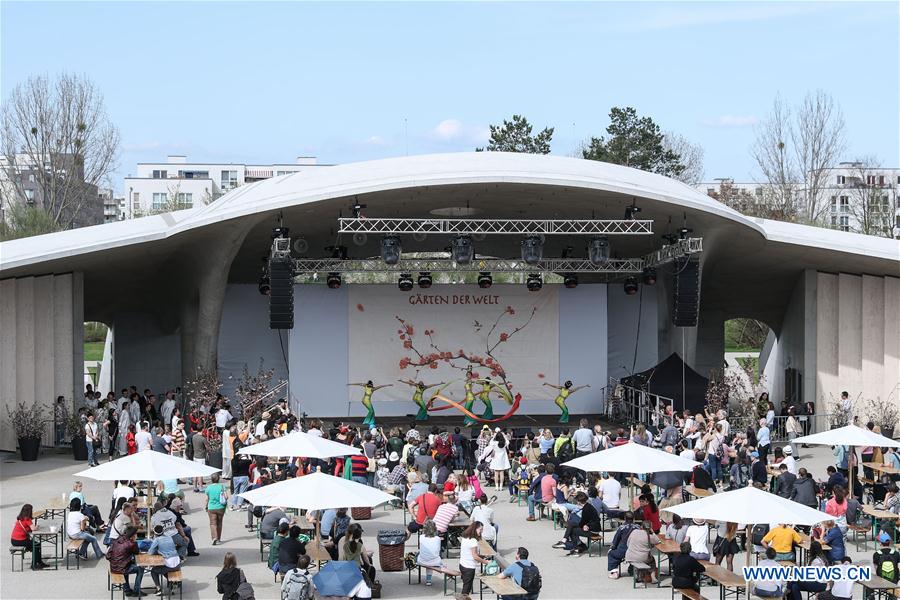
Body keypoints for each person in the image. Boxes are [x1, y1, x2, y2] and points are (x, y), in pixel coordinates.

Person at [147, 524, 183, 597]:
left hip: (169, 565)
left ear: (155, 533)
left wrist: (156, 550)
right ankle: (173, 581)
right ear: (163, 531)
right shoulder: (169, 537)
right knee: (163, 568)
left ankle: (159, 589)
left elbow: (150, 552)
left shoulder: (157, 540)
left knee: (154, 571)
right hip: (177, 563)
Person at [107, 525, 144, 597]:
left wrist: (115, 560)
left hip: (114, 567)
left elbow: (108, 556)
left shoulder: (117, 540)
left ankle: (127, 589)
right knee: (140, 568)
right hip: (122, 568)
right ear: (133, 535)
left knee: (126, 565)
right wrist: (135, 542)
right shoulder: (131, 544)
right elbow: (137, 552)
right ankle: (136, 591)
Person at [10, 504, 47, 570]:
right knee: (36, 545)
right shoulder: (27, 519)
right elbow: (33, 528)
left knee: (36, 544)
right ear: (29, 511)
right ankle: (34, 564)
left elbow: (27, 528)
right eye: (32, 510)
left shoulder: (20, 518)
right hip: (20, 540)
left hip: (14, 540)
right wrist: (37, 526)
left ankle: (39, 562)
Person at [458, 522, 490, 595]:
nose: (481, 531)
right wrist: (486, 562)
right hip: (469, 567)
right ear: (475, 529)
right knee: (466, 590)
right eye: (480, 529)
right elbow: (475, 556)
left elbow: (470, 552)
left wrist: (481, 556)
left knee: (466, 586)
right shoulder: (473, 541)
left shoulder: (465, 537)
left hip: (462, 564)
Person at [607, 512, 639, 578]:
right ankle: (632, 569)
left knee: (611, 554)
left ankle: (614, 572)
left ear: (625, 518)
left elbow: (615, 540)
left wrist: (612, 548)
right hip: (636, 551)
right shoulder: (638, 527)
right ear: (634, 518)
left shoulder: (621, 528)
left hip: (623, 551)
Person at [416, 520, 445, 587]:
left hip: (422, 561)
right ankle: (428, 580)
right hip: (435, 562)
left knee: (422, 555)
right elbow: (438, 551)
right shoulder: (437, 538)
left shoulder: (421, 537)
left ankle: (428, 580)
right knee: (432, 557)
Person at [205, 472, 228, 545]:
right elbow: (226, 497)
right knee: (219, 523)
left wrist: (206, 506)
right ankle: (219, 538)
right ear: (219, 479)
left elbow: (206, 499)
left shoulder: (208, 487)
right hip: (221, 507)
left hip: (211, 507)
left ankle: (214, 538)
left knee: (213, 523)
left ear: (211, 479)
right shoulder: (222, 486)